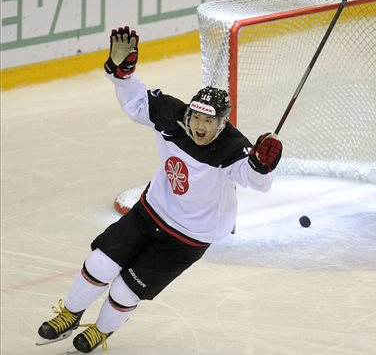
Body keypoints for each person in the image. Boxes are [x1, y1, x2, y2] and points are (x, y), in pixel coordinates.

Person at [36, 26, 283, 353]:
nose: (199, 125)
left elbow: (255, 181)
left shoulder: (232, 149)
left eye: (209, 122)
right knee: (99, 263)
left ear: (223, 124)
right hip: (149, 212)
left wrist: (263, 166)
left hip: (189, 238)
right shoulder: (172, 117)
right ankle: (69, 314)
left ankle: (100, 332)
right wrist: (122, 73)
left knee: (125, 291)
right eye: (196, 116)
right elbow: (137, 102)